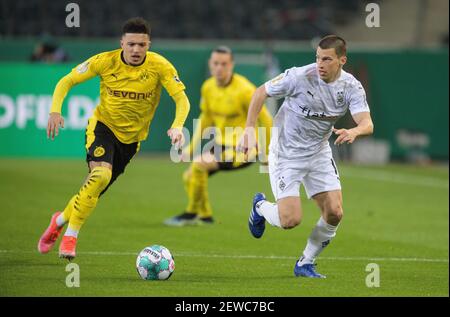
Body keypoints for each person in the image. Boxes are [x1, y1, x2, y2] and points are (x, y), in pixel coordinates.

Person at [37, 17, 190, 260]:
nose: (136, 50)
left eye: (141, 45)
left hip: (131, 142)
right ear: (122, 43)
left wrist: (178, 126)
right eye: (131, 45)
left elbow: (182, 99)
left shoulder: (161, 66)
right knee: (100, 175)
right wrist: (55, 110)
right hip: (102, 128)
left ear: (148, 44)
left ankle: (59, 220)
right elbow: (66, 80)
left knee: (93, 190)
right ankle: (70, 236)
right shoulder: (104, 61)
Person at [237, 35, 374, 278]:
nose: (320, 64)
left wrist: (354, 131)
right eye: (318, 58)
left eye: (327, 59)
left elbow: (367, 123)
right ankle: (260, 206)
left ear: (342, 60)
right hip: (286, 152)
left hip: (319, 151)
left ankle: (305, 263)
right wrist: (249, 129)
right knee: (290, 220)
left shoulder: (351, 86)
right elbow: (260, 92)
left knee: (335, 212)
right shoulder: (299, 76)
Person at [164, 46, 273, 226]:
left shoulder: (245, 90)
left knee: (199, 165)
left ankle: (190, 213)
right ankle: (206, 217)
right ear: (210, 64)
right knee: (189, 177)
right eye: (216, 63)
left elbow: (267, 120)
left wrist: (267, 154)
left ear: (231, 65)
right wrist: (190, 148)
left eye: (224, 64)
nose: (219, 68)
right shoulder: (208, 87)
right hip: (221, 145)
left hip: (243, 149)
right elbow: (206, 118)